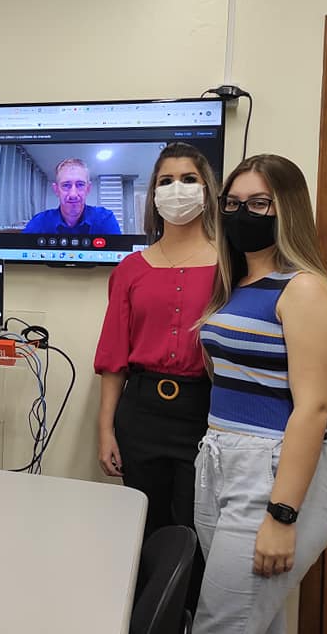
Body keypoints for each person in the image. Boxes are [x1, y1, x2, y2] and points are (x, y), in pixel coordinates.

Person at [194, 154, 327, 634]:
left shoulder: (304, 289)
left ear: (288, 209)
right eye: (233, 203)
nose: (243, 214)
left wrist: (282, 515)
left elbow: (314, 408)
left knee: (222, 624)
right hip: (219, 460)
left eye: (259, 203)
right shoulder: (236, 284)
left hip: (271, 472)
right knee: (253, 620)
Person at [94, 142, 219, 609]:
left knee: (193, 532)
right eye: (166, 181)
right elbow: (114, 356)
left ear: (207, 190)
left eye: (188, 179)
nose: (176, 189)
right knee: (145, 530)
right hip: (141, 413)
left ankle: (185, 618)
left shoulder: (230, 266)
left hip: (203, 413)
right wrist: (106, 428)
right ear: (152, 194)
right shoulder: (131, 269)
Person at [22, 158, 122, 235]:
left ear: (88, 189)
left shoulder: (105, 219)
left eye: (80, 185)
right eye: (66, 185)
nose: (73, 194)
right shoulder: (39, 222)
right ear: (56, 190)